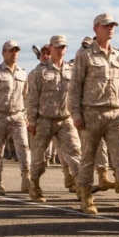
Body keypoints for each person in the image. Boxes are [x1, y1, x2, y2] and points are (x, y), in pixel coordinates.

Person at [69, 14, 119, 215]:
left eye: (112, 26)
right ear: (96, 28)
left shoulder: (118, 54)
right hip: (92, 112)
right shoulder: (85, 54)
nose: (110, 29)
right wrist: (76, 114)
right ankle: (86, 196)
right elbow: (75, 86)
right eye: (106, 26)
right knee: (88, 157)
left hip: (115, 112)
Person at [24, 36, 85, 205]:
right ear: (50, 48)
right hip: (44, 120)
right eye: (57, 47)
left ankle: (82, 187)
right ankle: (34, 186)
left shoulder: (71, 70)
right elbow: (32, 98)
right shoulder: (40, 71)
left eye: (63, 47)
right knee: (38, 157)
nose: (61, 50)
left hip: (65, 119)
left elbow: (76, 94)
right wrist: (32, 121)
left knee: (75, 153)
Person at [0, 41, 31, 195]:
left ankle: (27, 178)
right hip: (0, 116)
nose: (14, 53)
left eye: (16, 51)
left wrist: (26, 115)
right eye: (11, 51)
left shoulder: (23, 73)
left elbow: (27, 97)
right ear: (3, 52)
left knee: (24, 147)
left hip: (18, 115)